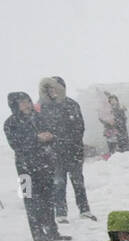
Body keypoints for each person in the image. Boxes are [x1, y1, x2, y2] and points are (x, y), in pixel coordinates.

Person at [3, 92, 63, 241]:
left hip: (45, 164)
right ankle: (37, 234)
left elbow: (52, 133)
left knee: (48, 199)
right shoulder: (10, 123)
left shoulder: (39, 117)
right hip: (24, 167)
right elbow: (16, 144)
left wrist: (51, 136)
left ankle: (52, 230)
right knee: (30, 200)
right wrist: (36, 138)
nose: (26, 104)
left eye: (27, 101)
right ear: (14, 105)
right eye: (21, 102)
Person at [38, 77, 93, 222]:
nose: (53, 91)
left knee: (78, 182)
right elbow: (39, 129)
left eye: (55, 88)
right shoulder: (42, 107)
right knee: (58, 183)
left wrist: (66, 140)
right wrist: (47, 142)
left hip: (73, 150)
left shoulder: (71, 104)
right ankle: (61, 213)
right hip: (54, 153)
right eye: (50, 89)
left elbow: (79, 127)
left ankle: (84, 209)